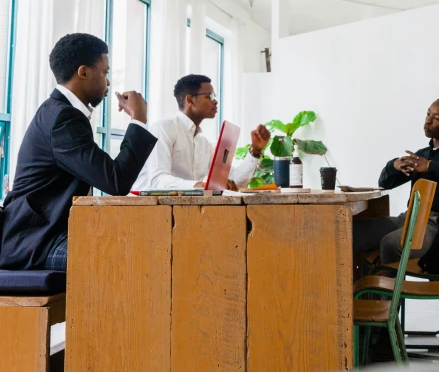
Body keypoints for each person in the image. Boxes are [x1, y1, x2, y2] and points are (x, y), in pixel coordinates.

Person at [0, 33, 157, 271]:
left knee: (137, 243)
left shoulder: (62, 112)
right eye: (105, 73)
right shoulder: (63, 118)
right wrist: (139, 119)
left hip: (49, 233)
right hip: (36, 241)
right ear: (83, 72)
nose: (109, 82)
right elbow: (116, 180)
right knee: (123, 256)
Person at [353, 97, 439, 264]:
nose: (428, 121)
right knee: (350, 233)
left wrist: (431, 166)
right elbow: (385, 184)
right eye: (428, 114)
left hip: (438, 225)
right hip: (408, 218)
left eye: (437, 118)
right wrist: (395, 165)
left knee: (391, 243)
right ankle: (360, 289)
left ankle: (388, 290)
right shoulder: (421, 154)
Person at [134, 74, 270, 192]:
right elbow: (157, 181)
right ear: (190, 100)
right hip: (144, 210)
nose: (215, 101)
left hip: (179, 209)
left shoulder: (203, 143)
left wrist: (255, 150)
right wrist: (199, 185)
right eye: (209, 96)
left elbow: (234, 181)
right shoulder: (163, 128)